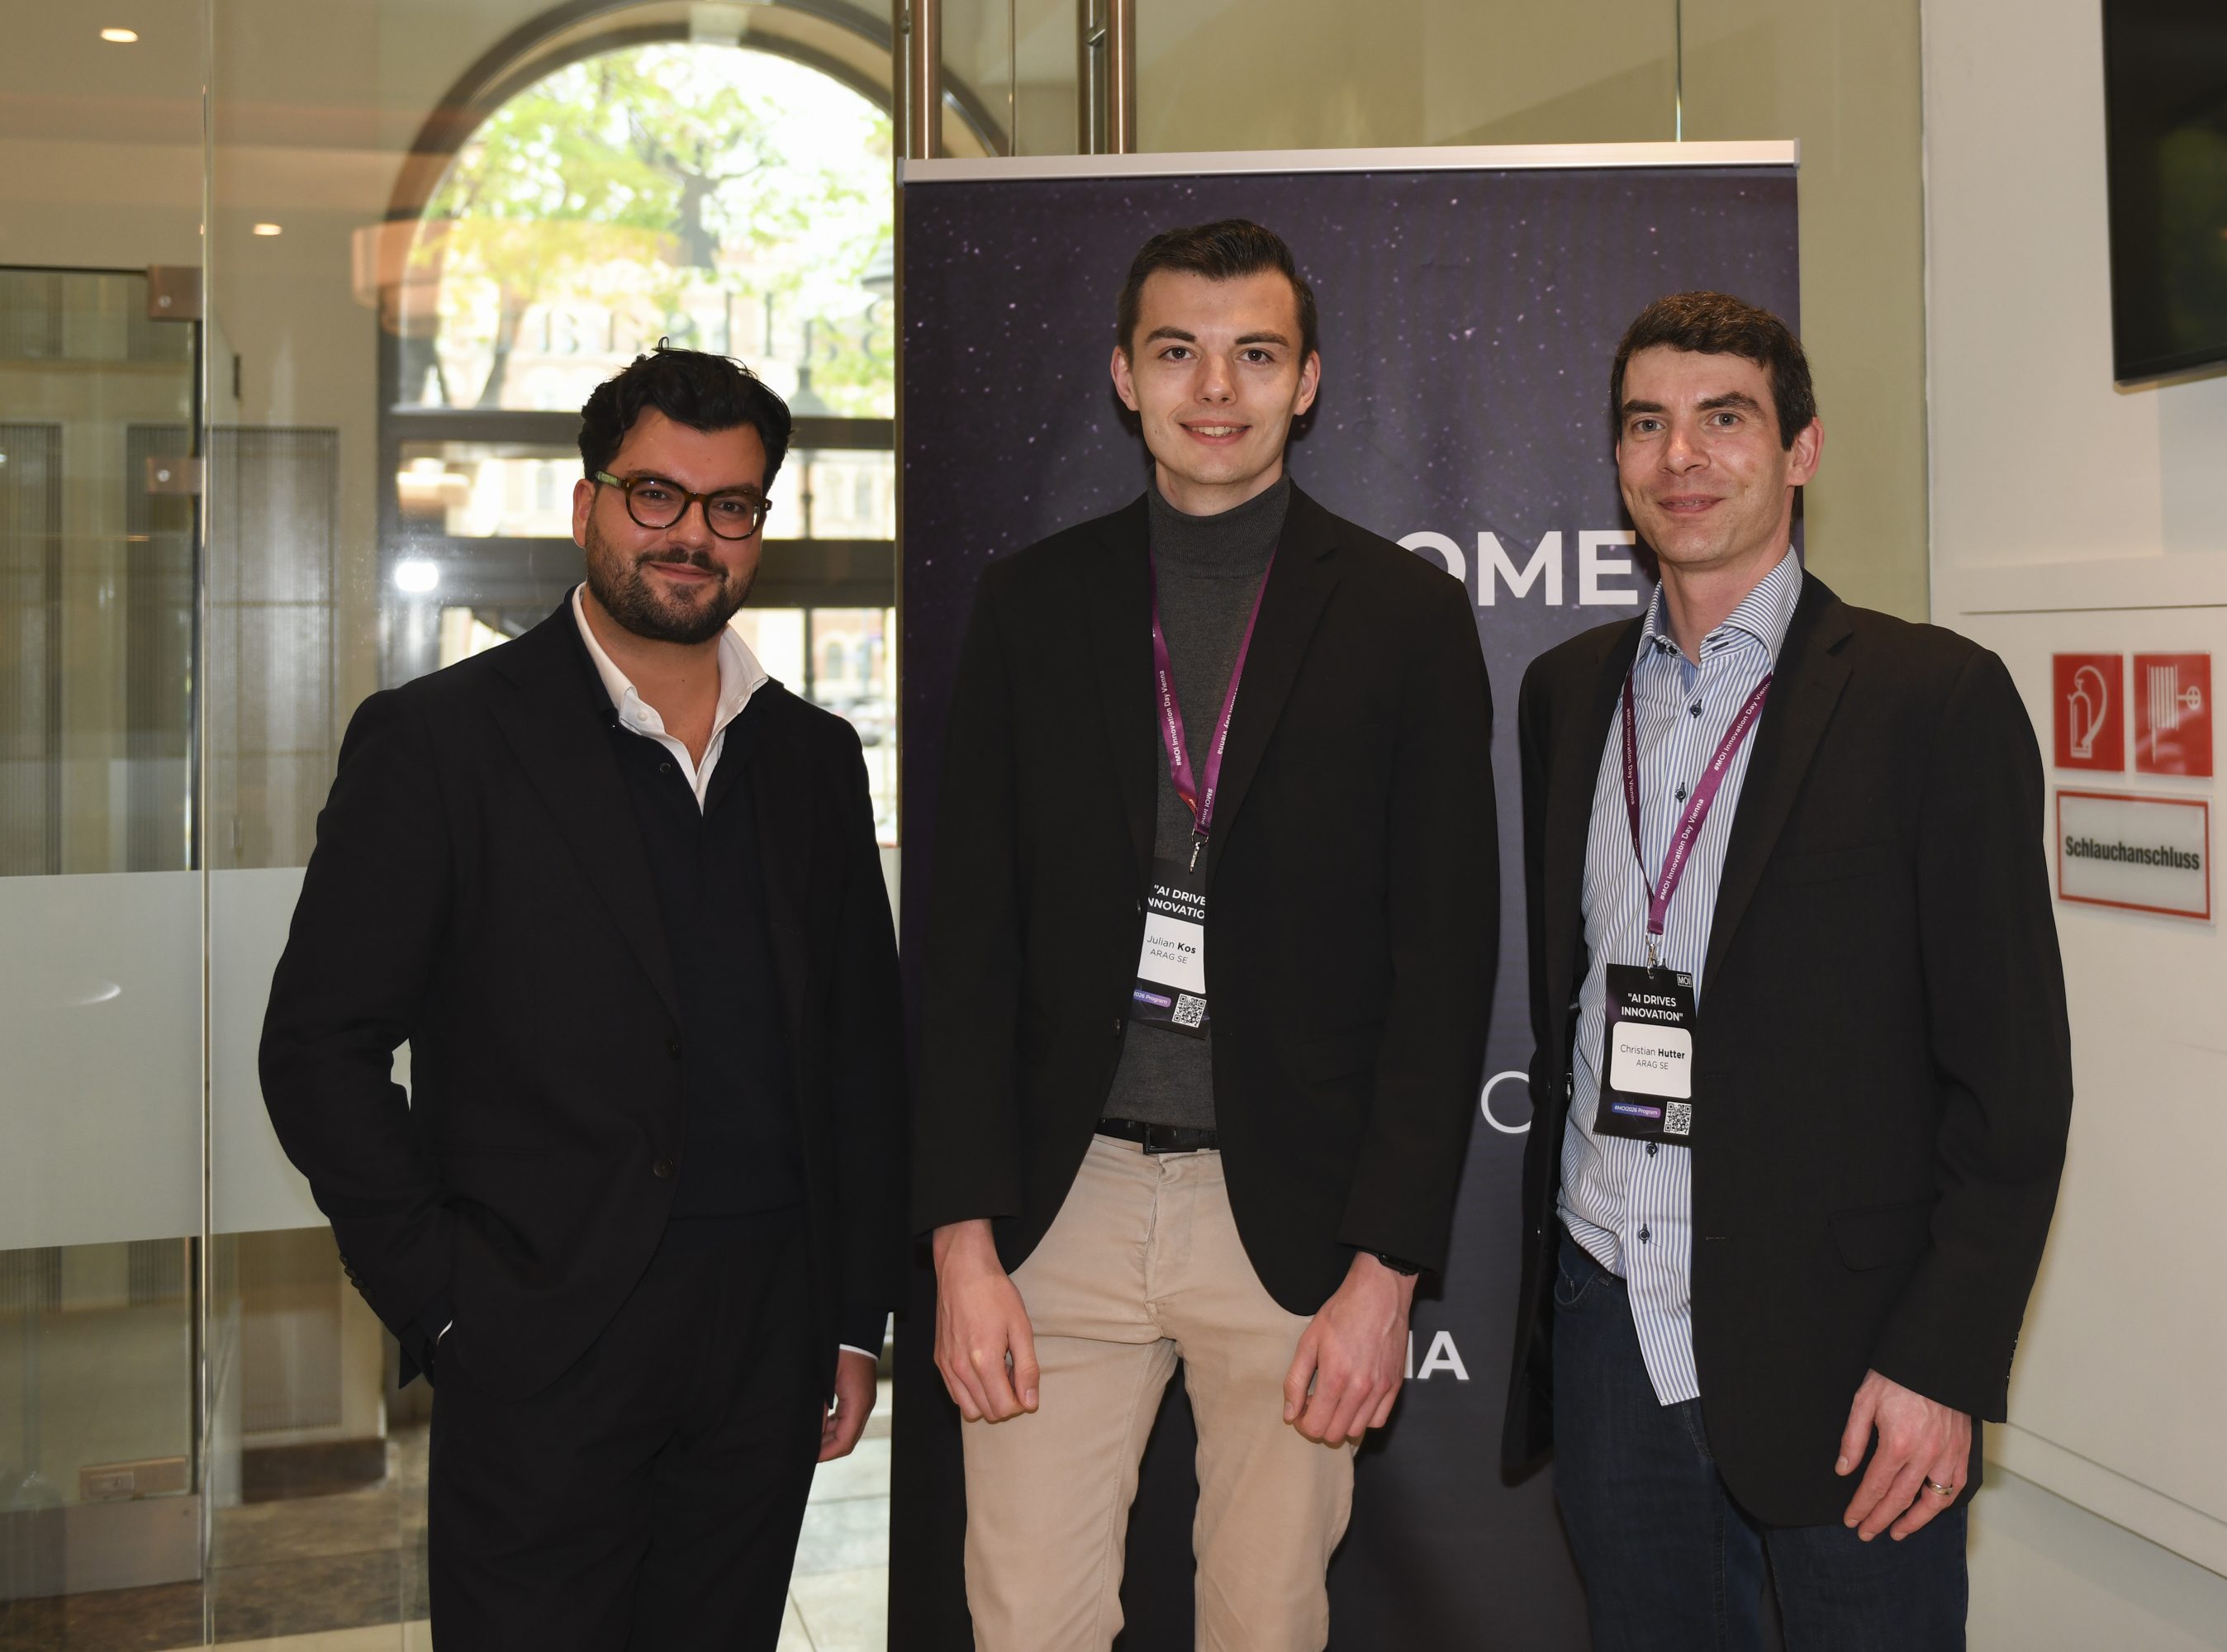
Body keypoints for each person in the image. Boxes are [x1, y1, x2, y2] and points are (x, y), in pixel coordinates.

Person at [259, 346, 906, 1649]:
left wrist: (851, 1318)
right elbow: (318, 1048)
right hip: (539, 1332)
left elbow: (859, 1053)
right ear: (586, 505)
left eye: (731, 505)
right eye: (656, 494)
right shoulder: (440, 741)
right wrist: (445, 1299)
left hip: (766, 1337)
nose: (691, 535)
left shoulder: (816, 758)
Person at [914, 219, 1498, 1651]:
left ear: (1308, 380)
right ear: (1125, 375)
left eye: (1257, 353)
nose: (1217, 388)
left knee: (1264, 1624)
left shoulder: (1408, 616)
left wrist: (1385, 1274)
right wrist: (960, 1246)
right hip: (1061, 1211)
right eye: (1179, 351)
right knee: (1027, 1627)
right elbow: (962, 946)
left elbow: (1442, 969)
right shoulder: (1031, 605)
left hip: (1293, 1225)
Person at [1498, 292, 2072, 1649]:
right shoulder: (1567, 692)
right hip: (1610, 1321)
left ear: (1801, 449)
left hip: (1848, 1358)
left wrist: (1942, 1364)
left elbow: (2013, 1087)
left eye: (1725, 419)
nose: (1681, 458)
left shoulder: (1933, 700)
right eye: (1647, 424)